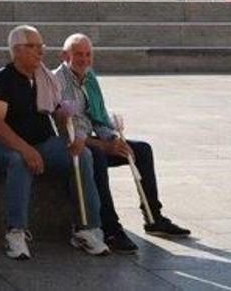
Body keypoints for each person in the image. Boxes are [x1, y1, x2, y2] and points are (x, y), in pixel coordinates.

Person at [54, 34, 190, 251]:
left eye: (88, 54)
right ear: (65, 55)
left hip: (94, 139)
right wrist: (103, 146)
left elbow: (99, 117)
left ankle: (153, 216)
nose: (84, 59)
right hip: (74, 146)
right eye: (78, 55)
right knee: (97, 156)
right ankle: (111, 228)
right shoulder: (56, 81)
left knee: (141, 150)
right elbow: (64, 132)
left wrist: (113, 139)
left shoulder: (90, 77)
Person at [0, 25, 109, 260]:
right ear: (16, 50)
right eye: (32, 46)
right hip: (4, 145)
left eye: (41, 46)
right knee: (19, 161)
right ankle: (16, 231)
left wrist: (67, 127)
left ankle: (86, 227)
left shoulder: (45, 78)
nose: (40, 52)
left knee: (81, 156)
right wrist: (27, 150)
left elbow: (58, 116)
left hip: (42, 142)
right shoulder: (2, 79)